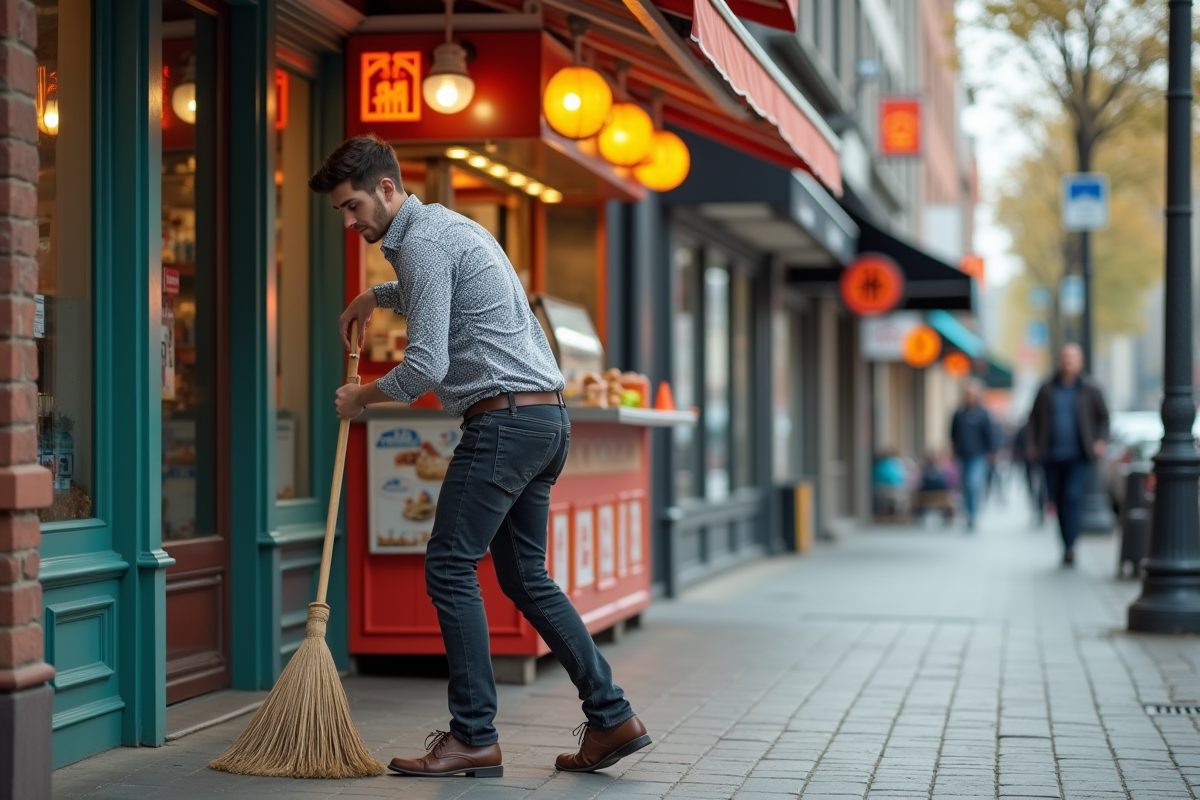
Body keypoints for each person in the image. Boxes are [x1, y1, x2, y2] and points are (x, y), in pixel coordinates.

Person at [309, 135, 650, 777]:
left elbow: (425, 366)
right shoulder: (439, 231)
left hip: (504, 424)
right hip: (543, 419)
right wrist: (375, 298)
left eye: (353, 207)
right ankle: (611, 718)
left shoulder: (423, 243)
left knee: (448, 567)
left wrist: (363, 399)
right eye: (341, 214)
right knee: (525, 577)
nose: (350, 223)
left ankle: (473, 735)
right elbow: (445, 298)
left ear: (387, 188)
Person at [1025, 343, 1110, 565]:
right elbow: (1033, 419)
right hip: (1051, 456)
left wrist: (1100, 441)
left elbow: (1104, 418)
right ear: (1059, 360)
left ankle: (1071, 546)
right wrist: (1033, 444)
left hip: (1079, 455)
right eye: (1065, 357)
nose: (1068, 361)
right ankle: (1066, 544)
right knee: (1059, 500)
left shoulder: (1090, 388)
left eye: (1073, 357)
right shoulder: (1046, 388)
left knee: (1072, 498)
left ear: (1080, 362)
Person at [949, 380, 999, 530]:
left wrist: (992, 452)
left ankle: (973, 514)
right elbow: (952, 433)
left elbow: (990, 434)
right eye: (967, 394)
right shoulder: (959, 414)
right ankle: (968, 513)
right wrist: (954, 449)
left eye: (972, 394)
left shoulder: (983, 414)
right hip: (962, 454)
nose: (969, 397)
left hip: (979, 455)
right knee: (965, 486)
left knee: (974, 484)